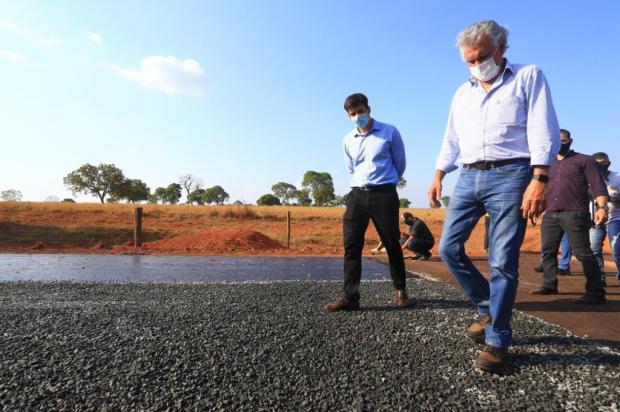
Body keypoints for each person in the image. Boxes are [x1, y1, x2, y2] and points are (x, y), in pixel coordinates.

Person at [427, 20, 559, 373]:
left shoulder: (528, 76)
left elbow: (542, 127)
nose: (476, 65)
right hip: (469, 175)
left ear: (502, 48)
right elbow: (451, 139)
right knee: (448, 249)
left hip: (512, 174)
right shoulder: (462, 94)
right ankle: (487, 308)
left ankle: (498, 338)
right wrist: (440, 173)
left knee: (502, 260)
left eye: (481, 57)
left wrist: (540, 178)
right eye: (468, 61)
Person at [325, 93, 410, 312]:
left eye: (360, 111)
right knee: (351, 245)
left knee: (391, 242)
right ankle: (350, 297)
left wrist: (385, 182)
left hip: (384, 194)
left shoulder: (389, 132)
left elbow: (399, 165)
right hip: (357, 195)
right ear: (348, 116)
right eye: (352, 114)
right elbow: (351, 168)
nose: (357, 117)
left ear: (368, 109)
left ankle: (400, 287)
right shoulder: (347, 140)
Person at [532, 130, 608, 303]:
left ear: (570, 141)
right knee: (548, 251)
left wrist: (602, 208)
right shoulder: (546, 163)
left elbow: (598, 186)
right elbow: (539, 188)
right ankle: (549, 285)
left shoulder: (585, 160)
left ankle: (596, 292)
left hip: (575, 213)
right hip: (550, 213)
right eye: (556, 141)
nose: (560, 144)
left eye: (563, 140)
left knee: (583, 253)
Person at [590, 152, 620, 286]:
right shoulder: (587, 178)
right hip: (594, 218)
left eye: (605, 163)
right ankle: (599, 278)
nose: (602, 166)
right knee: (594, 249)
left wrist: (614, 199)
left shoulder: (618, 178)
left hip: (615, 217)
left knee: (617, 249)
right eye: (598, 163)